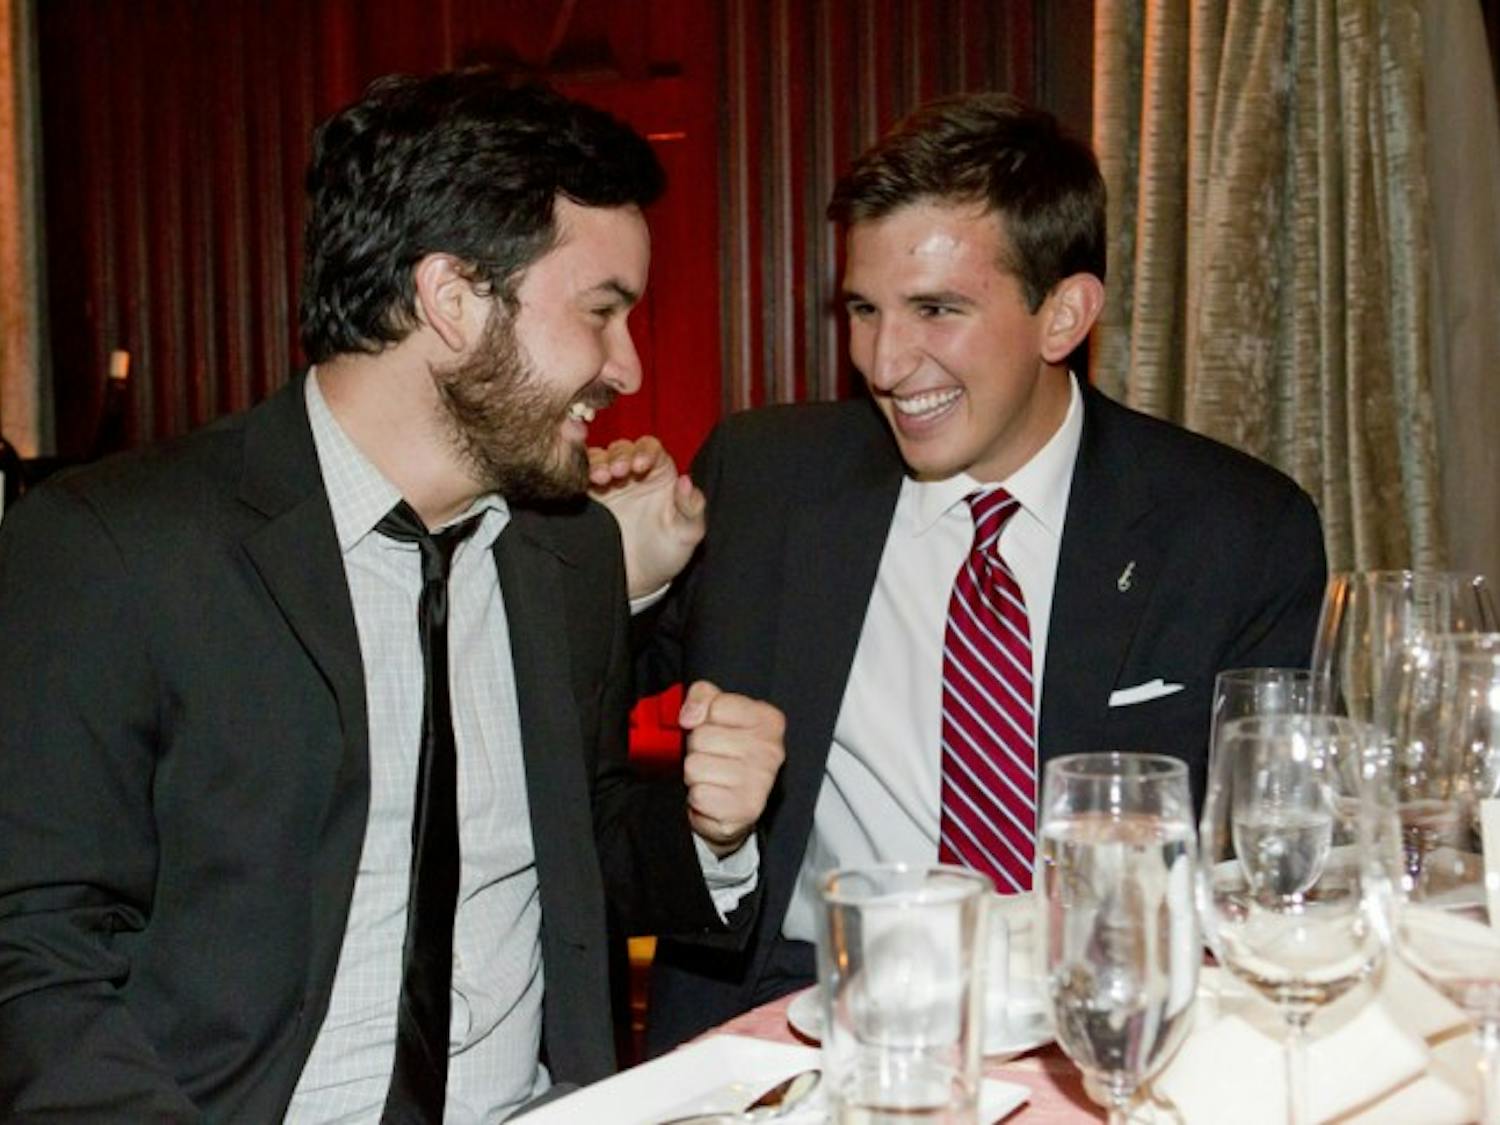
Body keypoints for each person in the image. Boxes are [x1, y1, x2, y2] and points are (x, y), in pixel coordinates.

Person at [0, 72, 783, 1121]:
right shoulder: (112, 550)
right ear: (453, 301)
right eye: (603, 314)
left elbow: (570, 842)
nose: (628, 368)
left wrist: (711, 832)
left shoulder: (569, 558)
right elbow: (34, 956)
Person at [591, 91, 1327, 1053]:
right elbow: (570, 747)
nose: (887, 362)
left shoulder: (1235, 528)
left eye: (937, 309)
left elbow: (1268, 865)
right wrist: (623, 581)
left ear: (1062, 314)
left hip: (1099, 1021)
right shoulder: (766, 478)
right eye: (864, 309)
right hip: (794, 1014)